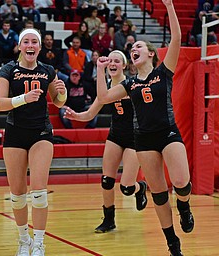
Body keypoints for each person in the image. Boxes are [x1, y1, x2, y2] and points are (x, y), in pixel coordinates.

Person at [96, 1, 194, 255]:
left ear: (151, 53)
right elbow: (104, 98)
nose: (133, 49)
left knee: (182, 183)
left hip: (168, 133)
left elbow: (177, 37)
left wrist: (169, 5)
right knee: (159, 194)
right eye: (132, 48)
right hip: (144, 140)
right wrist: (99, 70)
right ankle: (173, 244)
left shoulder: (164, 72)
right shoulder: (129, 85)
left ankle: (184, 206)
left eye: (139, 46)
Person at [0, 28, 67, 255]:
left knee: (39, 192)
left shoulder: (47, 70)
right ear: (19, 46)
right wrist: (23, 99)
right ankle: (24, 239)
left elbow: (57, 102)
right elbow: (0, 104)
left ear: (39, 47)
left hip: (41, 133)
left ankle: (39, 242)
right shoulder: (8, 69)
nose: (30, 45)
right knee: (17, 194)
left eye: (34, 42)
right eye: (26, 41)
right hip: (15, 133)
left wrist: (62, 93)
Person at [63, 50, 147, 232]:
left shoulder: (132, 84)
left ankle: (140, 188)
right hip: (115, 136)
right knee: (106, 181)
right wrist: (76, 116)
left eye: (117, 61)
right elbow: (91, 113)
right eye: (110, 61)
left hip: (134, 138)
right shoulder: (106, 86)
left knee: (126, 188)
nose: (113, 64)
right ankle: (109, 219)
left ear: (124, 65)